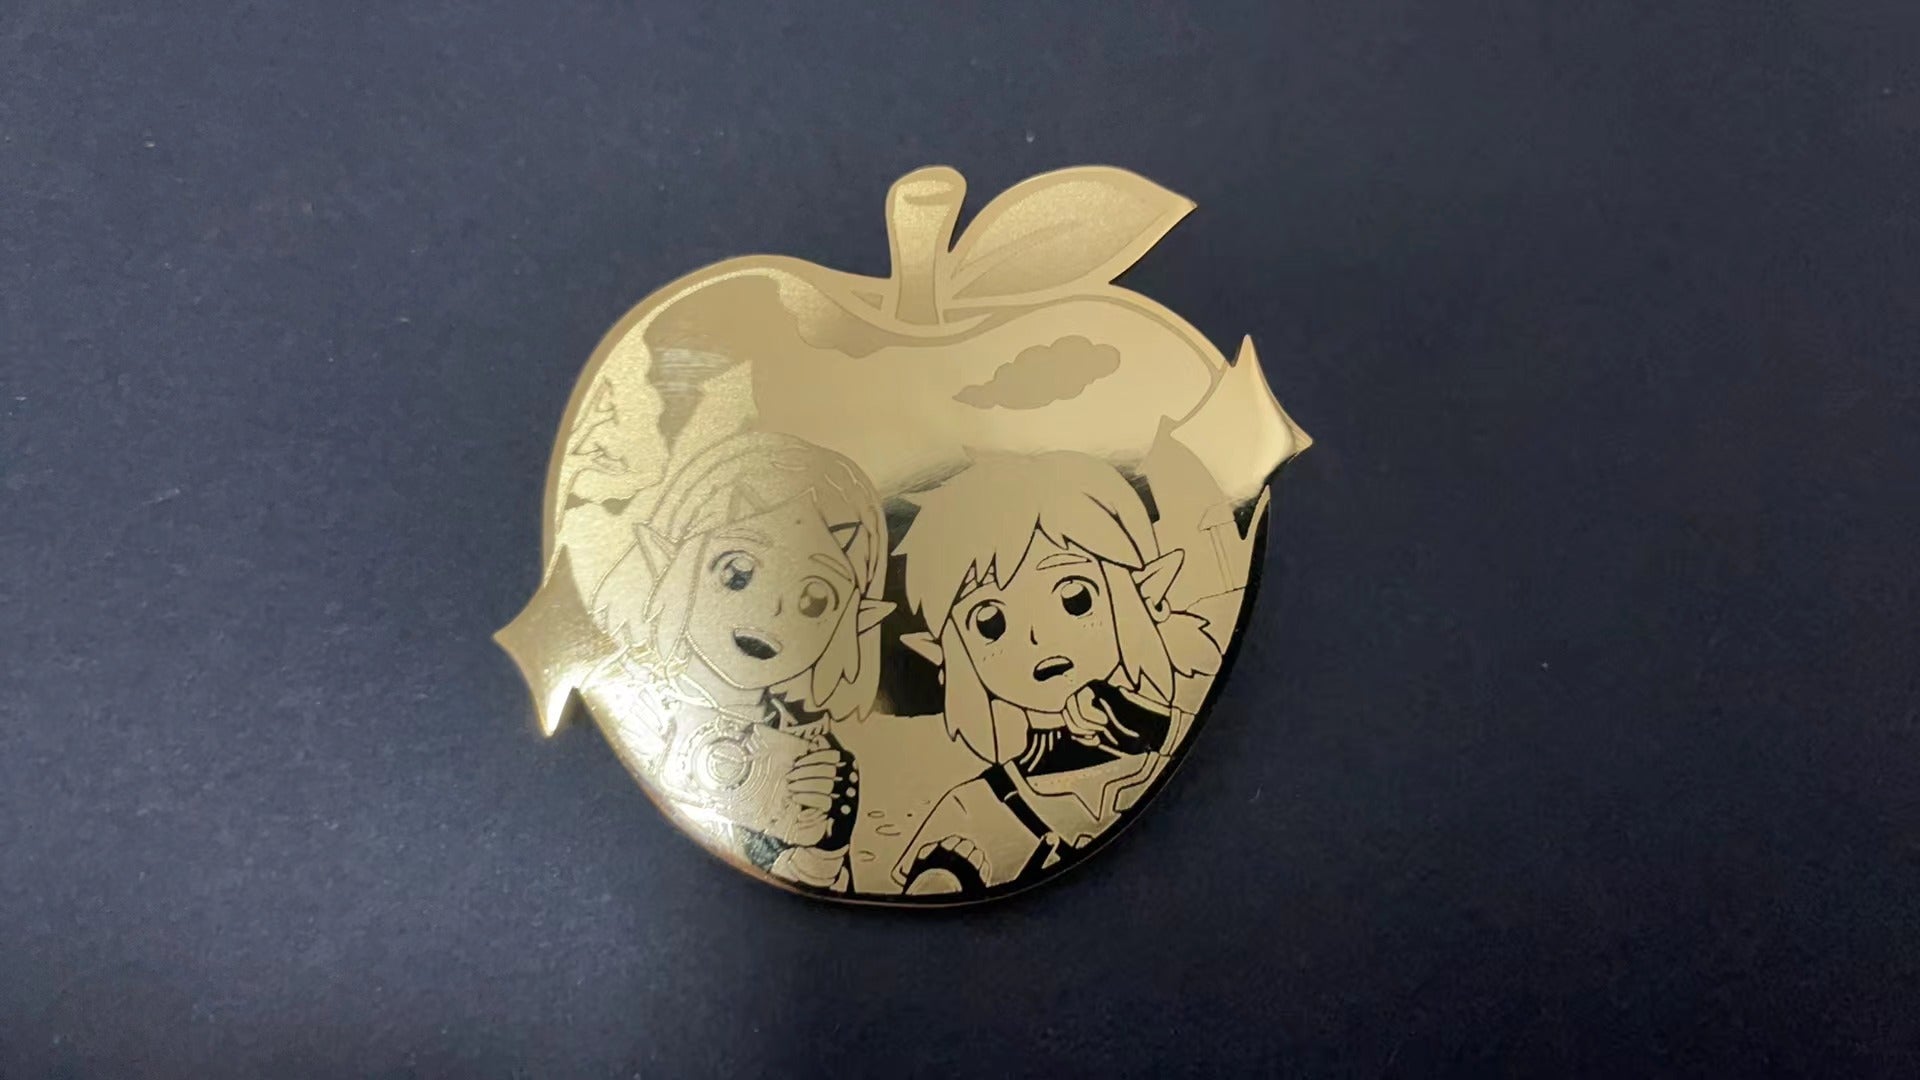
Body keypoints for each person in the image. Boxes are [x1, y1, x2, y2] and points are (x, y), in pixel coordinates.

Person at [890, 451, 1222, 896]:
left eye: (1075, 597)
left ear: (1142, 596)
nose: (1036, 637)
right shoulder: (970, 811)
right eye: (990, 622)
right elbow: (928, 893)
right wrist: (945, 876)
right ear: (951, 654)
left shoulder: (1178, 748)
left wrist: (1161, 730)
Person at [584, 431, 892, 892]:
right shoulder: (627, 704)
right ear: (675, 563)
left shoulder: (806, 751)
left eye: (814, 599)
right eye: (737, 573)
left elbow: (796, 883)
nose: (772, 611)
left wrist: (826, 845)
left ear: (848, 624)